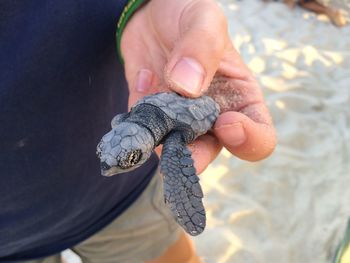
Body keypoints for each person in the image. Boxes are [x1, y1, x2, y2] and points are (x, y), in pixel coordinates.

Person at [0, 0, 276, 262]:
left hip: (124, 202)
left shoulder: (171, 136)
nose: (106, 168)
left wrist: (143, 4)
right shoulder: (137, 116)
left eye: (128, 158)